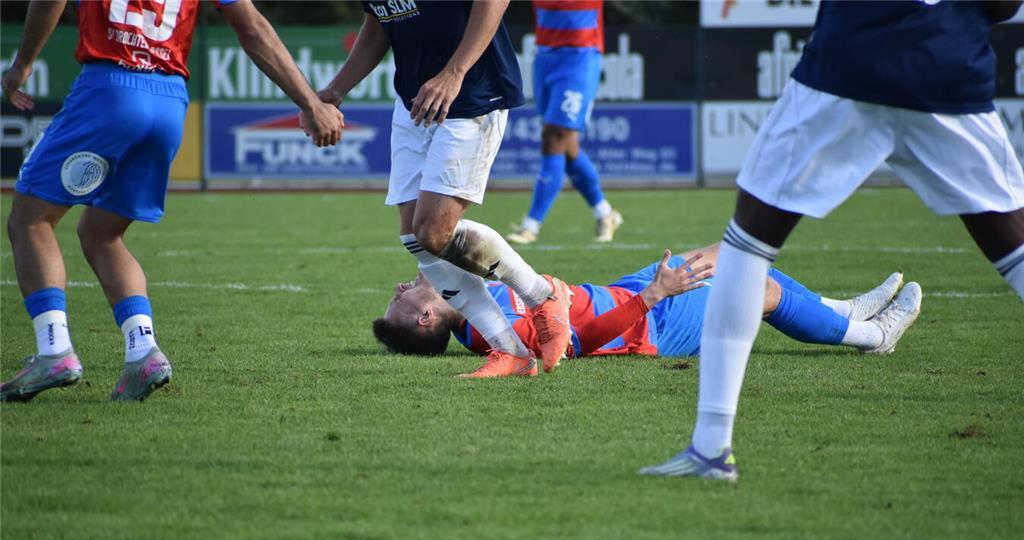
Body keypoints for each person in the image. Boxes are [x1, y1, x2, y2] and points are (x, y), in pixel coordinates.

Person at [640, 0, 1024, 482]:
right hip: (948, 60)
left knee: (745, 249)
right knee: (1015, 249)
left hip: (852, 60)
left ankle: (711, 448)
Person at [0, 0, 344, 402]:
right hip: (168, 100)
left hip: (109, 89)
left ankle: (53, 349)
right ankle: (143, 351)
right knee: (102, 234)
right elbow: (253, 28)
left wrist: (23, 64)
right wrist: (310, 103)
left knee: (30, 221)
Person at [318, 0, 574, 379]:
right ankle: (511, 352)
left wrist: (454, 72)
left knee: (433, 232)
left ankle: (543, 295)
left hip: (471, 91)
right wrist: (335, 91)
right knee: (414, 238)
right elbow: (378, 23)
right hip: (413, 100)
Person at [372, 244, 921, 364]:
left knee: (732, 255)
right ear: (427, 318)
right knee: (758, 293)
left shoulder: (474, 305)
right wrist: (652, 298)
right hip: (648, 324)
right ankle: (873, 336)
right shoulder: (493, 335)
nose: (399, 287)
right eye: (402, 300)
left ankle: (845, 311)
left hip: (627, 288)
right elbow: (577, 342)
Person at [506, 0, 623, 245]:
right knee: (567, 146)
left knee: (553, 138)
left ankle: (531, 226)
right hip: (545, 57)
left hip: (580, 58)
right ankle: (605, 213)